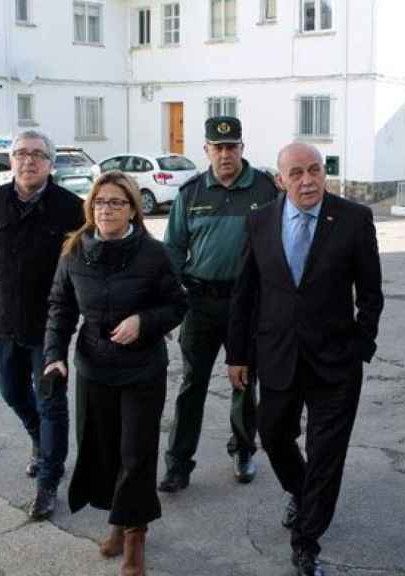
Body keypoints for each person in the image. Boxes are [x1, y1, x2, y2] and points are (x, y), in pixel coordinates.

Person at [226, 142, 384, 576]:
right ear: (280, 180)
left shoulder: (353, 219)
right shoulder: (260, 221)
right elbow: (245, 293)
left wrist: (361, 346)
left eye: (314, 170)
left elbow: (370, 293)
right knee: (273, 435)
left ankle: (306, 542)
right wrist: (237, 354)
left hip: (337, 362)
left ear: (325, 173)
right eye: (295, 173)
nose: (307, 180)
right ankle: (303, 492)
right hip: (276, 355)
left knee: (327, 452)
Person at [43, 171, 188, 576]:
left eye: (117, 202)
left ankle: (136, 535)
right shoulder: (74, 251)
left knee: (136, 453)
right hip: (93, 366)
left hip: (142, 370)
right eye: (100, 202)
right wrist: (54, 354)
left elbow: (177, 305)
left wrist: (144, 321)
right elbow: (60, 307)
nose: (107, 209)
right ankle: (117, 521)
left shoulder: (153, 254)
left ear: (132, 209)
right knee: (102, 449)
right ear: (90, 207)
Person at [159, 116, 280, 492]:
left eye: (232, 147)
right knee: (192, 384)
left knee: (244, 382)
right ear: (206, 150)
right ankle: (178, 464)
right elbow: (173, 250)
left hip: (248, 306)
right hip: (200, 302)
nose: (225, 154)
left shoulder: (265, 188)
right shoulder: (192, 192)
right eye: (218, 147)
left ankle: (243, 450)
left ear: (242, 148)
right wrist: (173, 300)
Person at [0, 129, 85, 520]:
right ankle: (38, 440)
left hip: (49, 327)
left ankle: (48, 482)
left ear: (50, 163)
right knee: (12, 393)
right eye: (21, 153)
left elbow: (77, 269)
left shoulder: (72, 208)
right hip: (1, 322)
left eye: (38, 154)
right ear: (11, 160)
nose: (28, 160)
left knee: (51, 402)